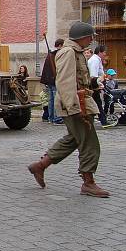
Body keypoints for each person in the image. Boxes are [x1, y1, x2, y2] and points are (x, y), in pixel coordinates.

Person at [27, 21, 109, 197]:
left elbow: (80, 79)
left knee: (73, 139)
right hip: (75, 104)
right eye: (91, 36)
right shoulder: (68, 53)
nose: (92, 40)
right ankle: (88, 182)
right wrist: (75, 108)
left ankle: (40, 166)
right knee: (89, 143)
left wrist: (94, 83)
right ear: (84, 37)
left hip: (79, 102)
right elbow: (64, 83)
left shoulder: (76, 52)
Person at [40, 38, 65, 124]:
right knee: (55, 99)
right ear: (60, 45)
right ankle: (56, 118)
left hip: (49, 80)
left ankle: (51, 118)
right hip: (54, 80)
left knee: (51, 99)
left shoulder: (51, 54)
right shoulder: (56, 54)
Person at [87, 45, 108, 126]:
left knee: (96, 103)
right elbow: (93, 75)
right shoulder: (95, 60)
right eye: (104, 52)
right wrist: (98, 85)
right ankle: (103, 121)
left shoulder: (96, 59)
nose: (105, 54)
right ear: (100, 52)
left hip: (95, 84)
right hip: (94, 85)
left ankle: (103, 121)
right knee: (97, 103)